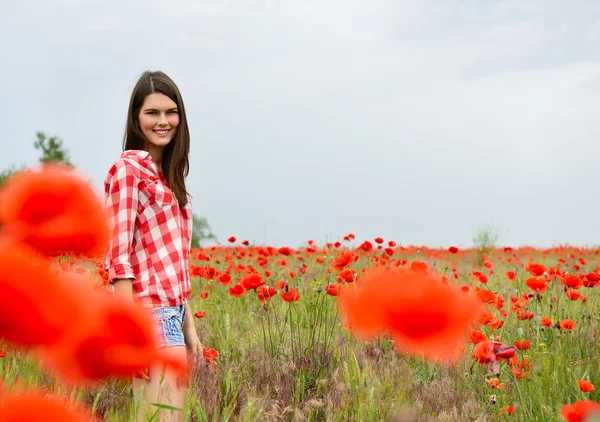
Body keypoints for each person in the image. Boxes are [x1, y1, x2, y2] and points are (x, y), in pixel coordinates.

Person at [103, 70, 201, 422]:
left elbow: (177, 262)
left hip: (173, 314)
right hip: (148, 315)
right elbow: (119, 257)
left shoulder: (174, 181)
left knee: (167, 416)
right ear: (136, 118)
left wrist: (189, 327)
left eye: (170, 112)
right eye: (152, 113)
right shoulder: (128, 170)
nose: (163, 121)